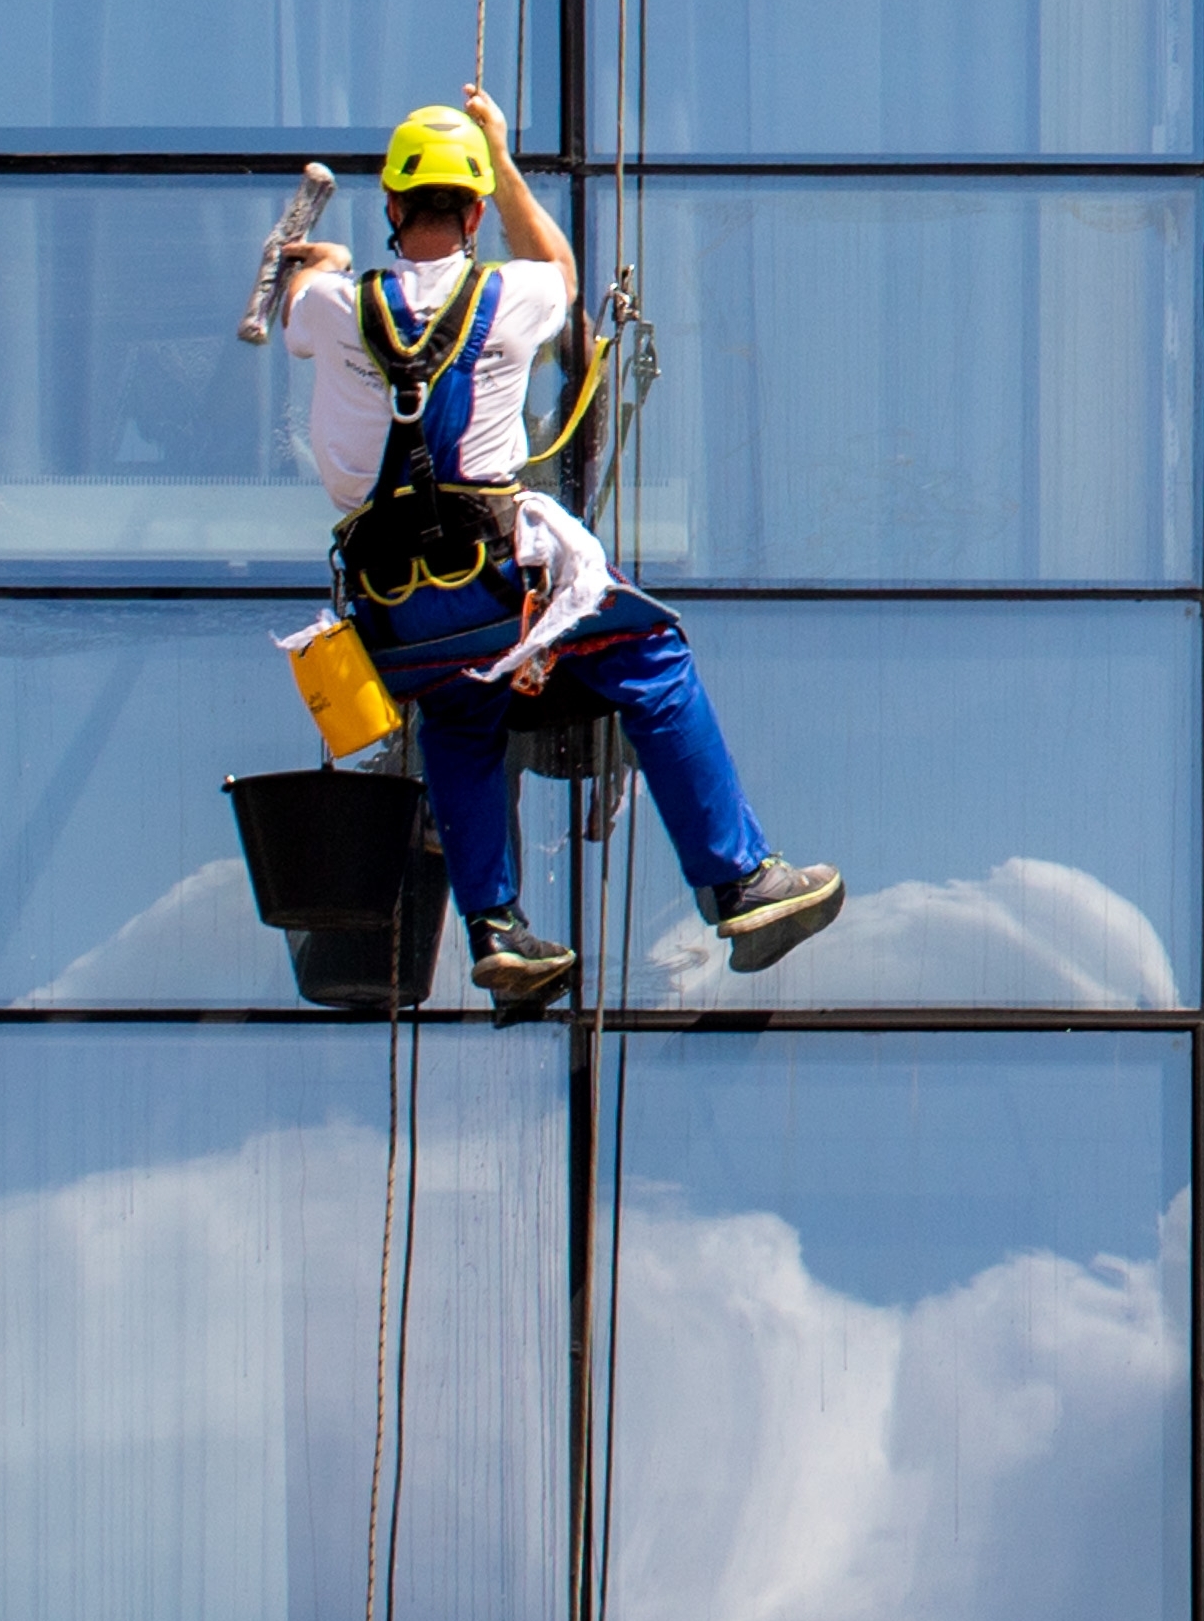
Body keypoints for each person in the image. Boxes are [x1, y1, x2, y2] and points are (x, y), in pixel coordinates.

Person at [274, 91, 843, 1012]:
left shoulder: (336, 308)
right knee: (650, 657)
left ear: (389, 207)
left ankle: (494, 932)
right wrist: (503, 159)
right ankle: (738, 883)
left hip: (395, 616)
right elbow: (560, 268)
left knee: (461, 718)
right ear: (469, 211)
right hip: (496, 585)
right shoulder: (507, 295)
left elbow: (302, 299)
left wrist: (326, 260)